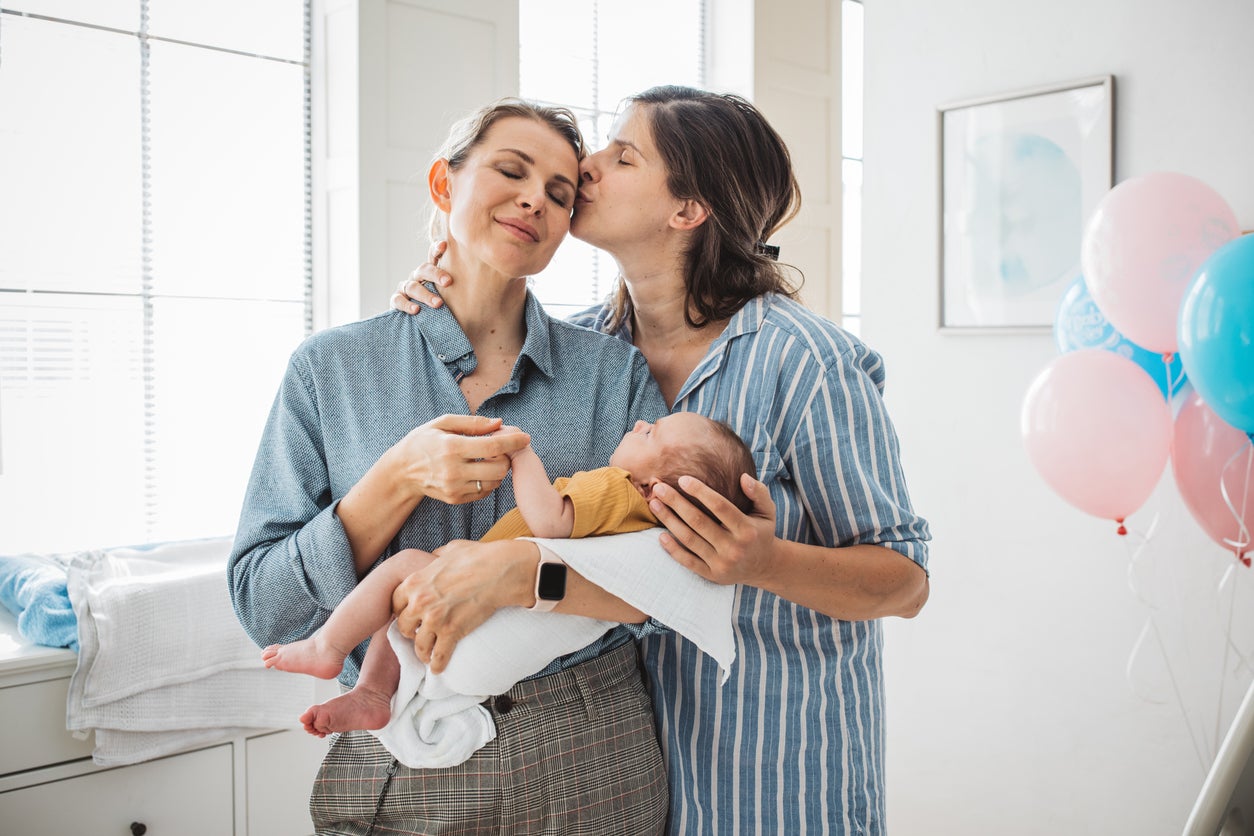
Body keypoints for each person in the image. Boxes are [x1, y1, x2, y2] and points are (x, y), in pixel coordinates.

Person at [391, 86, 932, 835]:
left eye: (623, 154)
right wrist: (436, 286)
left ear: (687, 211)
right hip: (624, 775)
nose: (588, 165)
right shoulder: (582, 355)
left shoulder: (806, 363)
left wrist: (764, 560)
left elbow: (905, 583)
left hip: (779, 775)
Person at [229, 99, 674, 835]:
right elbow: (266, 610)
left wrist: (528, 577)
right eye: (511, 170)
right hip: (400, 756)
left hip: (590, 755)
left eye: (561, 194)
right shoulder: (329, 371)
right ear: (444, 183)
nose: (536, 198)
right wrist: (395, 478)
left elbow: (661, 587)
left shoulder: (614, 374)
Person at [261, 411, 754, 744]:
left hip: (496, 597)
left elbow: (550, 521)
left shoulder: (618, 489)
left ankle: (331, 649)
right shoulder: (643, 520)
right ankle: (372, 694)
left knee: (401, 567)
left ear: (655, 489)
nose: (643, 422)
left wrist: (522, 456)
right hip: (506, 608)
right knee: (404, 589)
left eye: (652, 435)